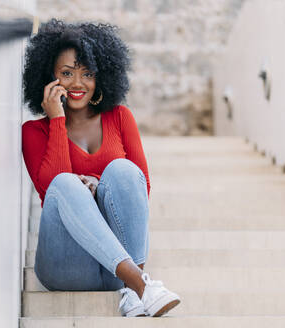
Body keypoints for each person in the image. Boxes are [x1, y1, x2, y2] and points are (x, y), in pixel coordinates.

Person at [21, 19, 181, 317]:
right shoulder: (34, 131)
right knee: (65, 184)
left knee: (122, 170)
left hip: (114, 268)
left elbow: (139, 187)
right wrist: (56, 120)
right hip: (65, 266)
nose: (77, 83)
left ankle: (133, 287)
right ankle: (141, 287)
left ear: (101, 77)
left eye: (87, 74)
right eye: (66, 73)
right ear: (49, 77)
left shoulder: (120, 117)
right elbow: (50, 188)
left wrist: (99, 187)